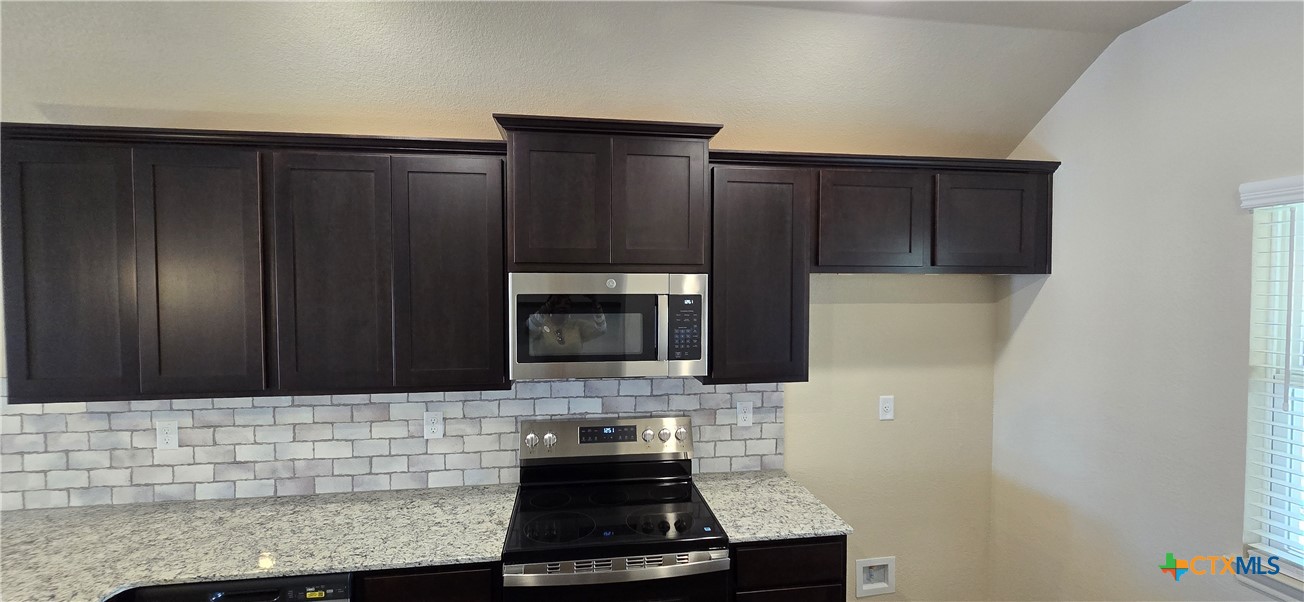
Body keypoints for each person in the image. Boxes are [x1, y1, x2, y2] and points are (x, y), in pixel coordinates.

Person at [527, 295, 607, 355]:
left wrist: (596, 305)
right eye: (557, 302)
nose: (563, 305)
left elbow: (601, 329)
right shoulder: (540, 323)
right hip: (543, 372)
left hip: (576, 372)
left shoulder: (577, 325)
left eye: (567, 303)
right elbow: (529, 328)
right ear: (550, 306)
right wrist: (546, 308)